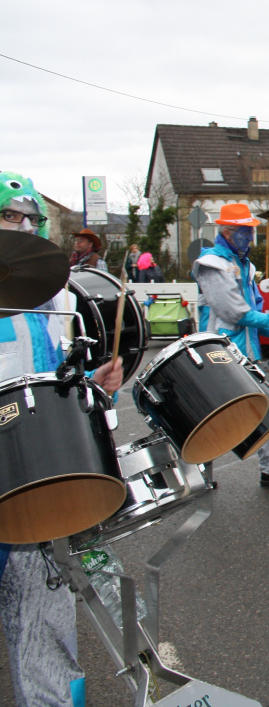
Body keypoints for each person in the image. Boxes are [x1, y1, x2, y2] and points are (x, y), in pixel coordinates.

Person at [1, 171, 124, 707]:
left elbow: (51, 383)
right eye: (9, 216)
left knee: (44, 631)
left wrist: (94, 384)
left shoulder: (52, 300)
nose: (22, 227)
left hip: (35, 481)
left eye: (30, 219)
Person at [193, 203, 269, 487]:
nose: (249, 237)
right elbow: (232, 311)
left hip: (245, 348)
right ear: (226, 232)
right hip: (218, 350)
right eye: (243, 232)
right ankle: (199, 475)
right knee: (212, 414)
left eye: (250, 232)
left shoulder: (244, 264)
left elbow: (252, 305)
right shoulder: (212, 264)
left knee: (262, 407)